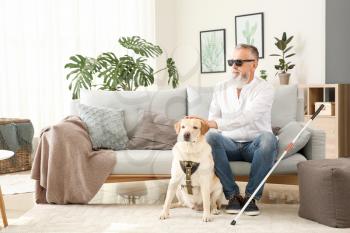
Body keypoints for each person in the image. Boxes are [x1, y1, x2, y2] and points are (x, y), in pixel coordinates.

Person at [188, 44, 277, 216]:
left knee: (269, 139)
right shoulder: (221, 87)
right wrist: (198, 123)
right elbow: (212, 119)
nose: (233, 66)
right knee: (212, 137)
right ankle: (233, 196)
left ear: (254, 64)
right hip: (229, 144)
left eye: (238, 62)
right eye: (231, 62)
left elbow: (248, 117)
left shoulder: (265, 89)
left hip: (255, 145)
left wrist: (213, 123)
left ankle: (251, 198)